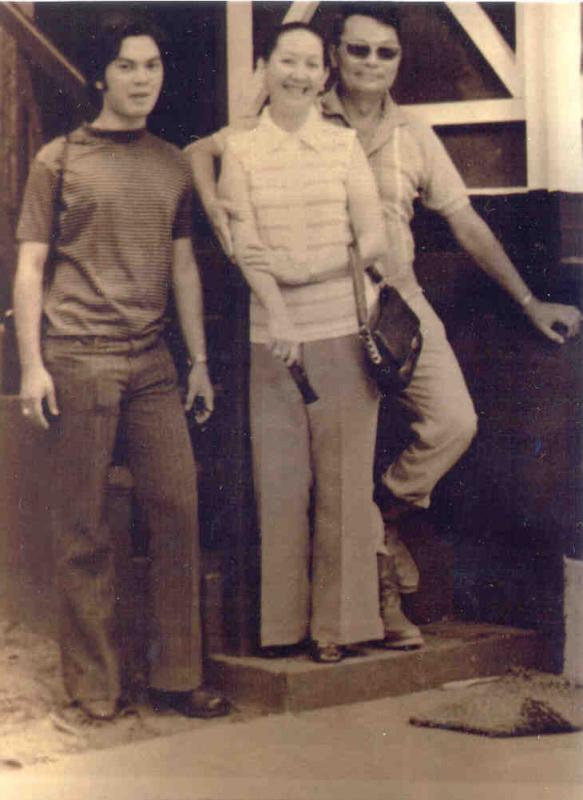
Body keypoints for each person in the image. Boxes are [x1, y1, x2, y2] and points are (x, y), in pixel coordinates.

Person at [187, 5, 582, 651]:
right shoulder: (298, 107)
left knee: (454, 421)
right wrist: (218, 212)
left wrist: (528, 301)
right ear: (334, 59)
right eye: (358, 50)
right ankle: (371, 584)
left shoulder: (412, 134)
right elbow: (202, 152)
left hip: (397, 305)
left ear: (398, 61)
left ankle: (381, 514)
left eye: (385, 52)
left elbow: (464, 222)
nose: (371, 63)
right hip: (320, 313)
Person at [13, 12, 230, 722]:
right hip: (78, 359)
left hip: (152, 363)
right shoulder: (58, 160)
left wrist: (198, 361)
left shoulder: (171, 164)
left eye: (153, 65)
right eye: (128, 66)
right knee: (84, 526)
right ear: (101, 76)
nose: (143, 79)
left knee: (177, 508)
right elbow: (30, 268)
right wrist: (32, 367)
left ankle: (176, 676)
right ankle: (95, 687)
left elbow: (183, 269)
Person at [209, 22, 391, 663]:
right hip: (272, 337)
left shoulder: (343, 146)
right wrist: (280, 314)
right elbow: (246, 247)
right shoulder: (239, 150)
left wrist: (309, 270)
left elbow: (372, 237)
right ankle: (283, 627)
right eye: (288, 61)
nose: (300, 75)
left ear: (325, 74)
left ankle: (340, 627)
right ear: (264, 67)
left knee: (344, 483)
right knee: (282, 484)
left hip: (343, 328)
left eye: (312, 64)